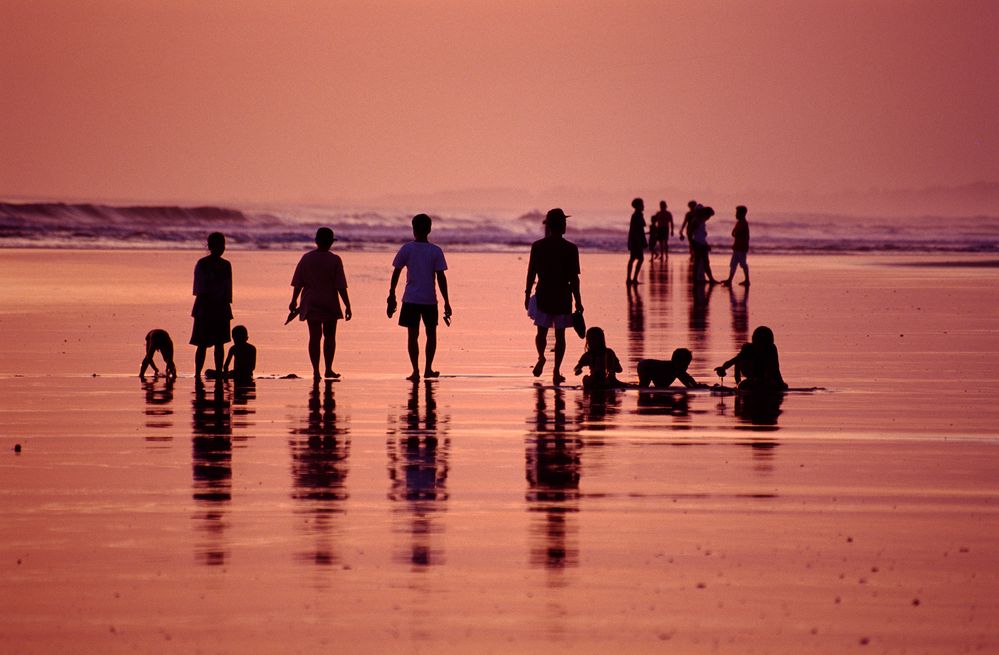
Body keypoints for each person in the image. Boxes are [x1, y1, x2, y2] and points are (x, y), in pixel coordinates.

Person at [387, 213, 453, 381]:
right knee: (431, 334)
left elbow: (397, 272)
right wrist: (446, 301)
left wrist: (392, 293)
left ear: (413, 228)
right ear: (429, 229)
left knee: (412, 335)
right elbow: (441, 278)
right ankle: (428, 368)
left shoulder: (407, 248)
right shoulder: (435, 251)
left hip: (410, 299)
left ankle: (416, 370)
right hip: (429, 299)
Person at [525, 208, 583, 385]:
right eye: (564, 222)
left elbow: (531, 273)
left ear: (549, 226)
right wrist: (579, 302)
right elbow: (574, 279)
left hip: (543, 293)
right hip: (563, 296)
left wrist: (527, 294)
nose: (566, 225)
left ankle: (541, 357)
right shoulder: (570, 248)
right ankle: (556, 371)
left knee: (541, 332)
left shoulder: (538, 246)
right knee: (560, 336)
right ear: (560, 225)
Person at [289, 227, 352, 380]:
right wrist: (347, 305)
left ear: (316, 241)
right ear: (331, 242)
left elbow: (298, 283)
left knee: (314, 337)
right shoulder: (335, 260)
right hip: (329, 302)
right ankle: (328, 369)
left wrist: (294, 300)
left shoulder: (306, 258)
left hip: (311, 302)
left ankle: (316, 371)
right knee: (330, 337)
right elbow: (340, 286)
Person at [190, 232, 232, 378]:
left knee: (219, 344)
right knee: (202, 344)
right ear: (210, 246)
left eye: (223, 245)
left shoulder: (226, 265)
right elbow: (199, 289)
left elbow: (228, 289)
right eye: (219, 245)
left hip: (219, 307)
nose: (221, 248)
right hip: (206, 307)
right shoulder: (203, 264)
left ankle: (218, 371)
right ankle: (197, 373)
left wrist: (224, 304)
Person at [714, 325, 787, 391]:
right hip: (751, 380)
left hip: (765, 380)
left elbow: (776, 371)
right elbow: (734, 361)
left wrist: (780, 384)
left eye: (765, 343)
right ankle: (739, 386)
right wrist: (723, 368)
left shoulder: (771, 349)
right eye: (761, 342)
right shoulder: (748, 350)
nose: (762, 346)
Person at [636, 348, 707, 389]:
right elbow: (687, 379)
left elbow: (687, 379)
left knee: (660, 386)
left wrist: (695, 385)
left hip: (645, 364)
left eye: (688, 365)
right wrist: (696, 386)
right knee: (644, 387)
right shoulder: (675, 369)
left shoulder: (676, 369)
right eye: (686, 364)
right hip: (646, 366)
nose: (687, 367)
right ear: (678, 362)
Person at [690, 205, 720, 284]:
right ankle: (703, 279)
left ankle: (702, 278)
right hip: (698, 244)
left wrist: (706, 244)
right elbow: (690, 233)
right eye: (708, 216)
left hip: (701, 243)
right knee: (702, 262)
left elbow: (701, 236)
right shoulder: (696, 221)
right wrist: (693, 243)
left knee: (703, 262)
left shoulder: (701, 221)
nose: (708, 218)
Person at [722, 205, 750, 287]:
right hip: (737, 247)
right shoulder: (739, 223)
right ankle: (730, 279)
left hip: (741, 248)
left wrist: (735, 233)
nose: (736, 215)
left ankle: (747, 280)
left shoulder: (743, 223)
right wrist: (735, 233)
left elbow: (736, 233)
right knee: (733, 264)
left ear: (742, 214)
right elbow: (733, 233)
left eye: (737, 213)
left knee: (743, 264)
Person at [626, 198, 647, 285]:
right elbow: (638, 230)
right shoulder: (637, 215)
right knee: (639, 259)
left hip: (635, 240)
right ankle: (633, 279)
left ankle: (630, 279)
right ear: (638, 206)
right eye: (642, 204)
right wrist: (642, 240)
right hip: (636, 240)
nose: (643, 206)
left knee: (633, 259)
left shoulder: (637, 215)